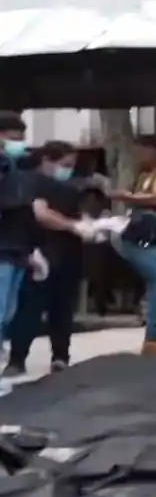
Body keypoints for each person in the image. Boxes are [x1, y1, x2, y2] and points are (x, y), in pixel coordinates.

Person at [5, 141, 92, 375]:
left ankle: (60, 356)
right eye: (65, 164)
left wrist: (89, 226)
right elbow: (41, 214)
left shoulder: (69, 187)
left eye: (71, 165)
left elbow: (78, 212)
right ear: (47, 161)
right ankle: (17, 359)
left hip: (69, 252)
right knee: (30, 308)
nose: (68, 170)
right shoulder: (34, 182)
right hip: (43, 250)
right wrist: (73, 226)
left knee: (63, 308)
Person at [109, 135, 156, 355]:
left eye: (140, 152)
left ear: (153, 150)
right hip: (137, 234)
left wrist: (127, 197)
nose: (138, 158)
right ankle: (154, 335)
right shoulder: (142, 175)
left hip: (153, 233)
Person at [0, 115, 43, 345]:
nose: (19, 143)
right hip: (4, 246)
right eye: (13, 138)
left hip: (17, 245)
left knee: (8, 309)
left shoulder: (19, 167)